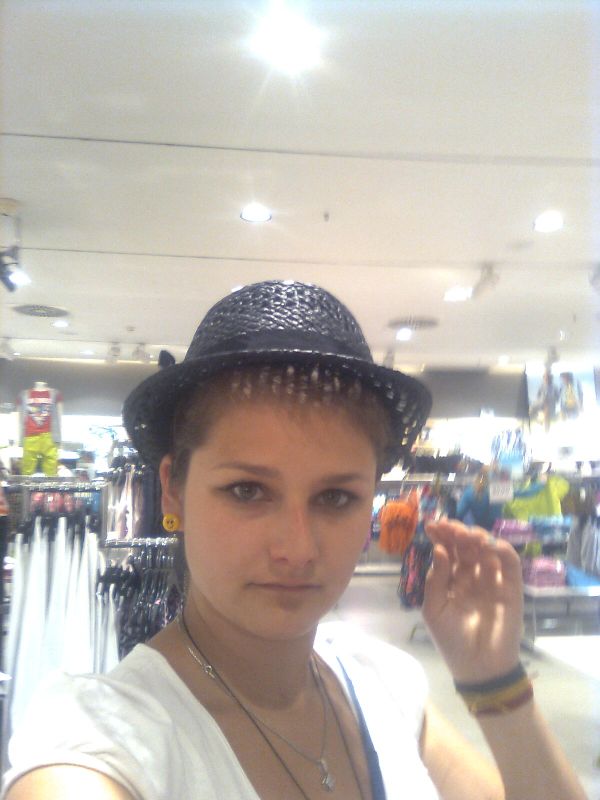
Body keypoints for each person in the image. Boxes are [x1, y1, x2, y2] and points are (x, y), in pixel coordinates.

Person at [3, 281, 586, 800]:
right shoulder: (108, 742)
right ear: (173, 489)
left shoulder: (381, 682)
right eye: (248, 491)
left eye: (335, 497)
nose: (298, 548)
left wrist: (494, 681)